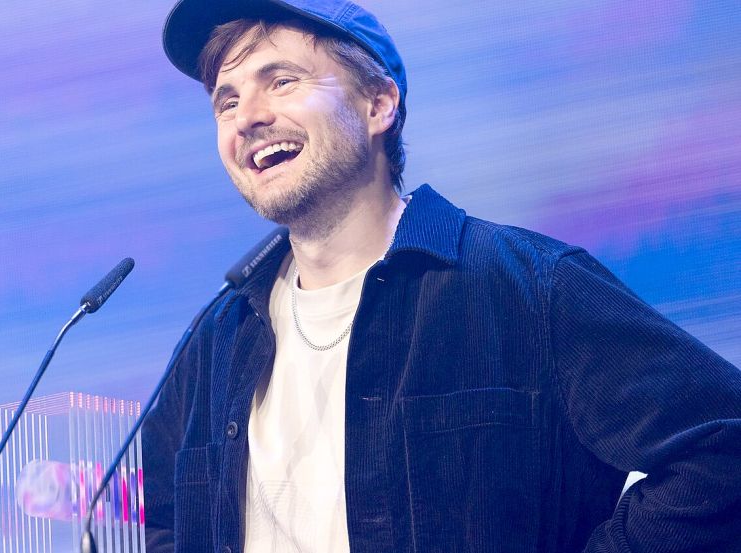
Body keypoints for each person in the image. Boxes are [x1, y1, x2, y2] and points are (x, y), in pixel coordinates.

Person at [142, 1, 741, 552]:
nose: (247, 117)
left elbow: (724, 445)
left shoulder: (532, 288)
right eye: (226, 101)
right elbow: (162, 523)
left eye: (282, 81)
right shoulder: (212, 343)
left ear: (378, 104)